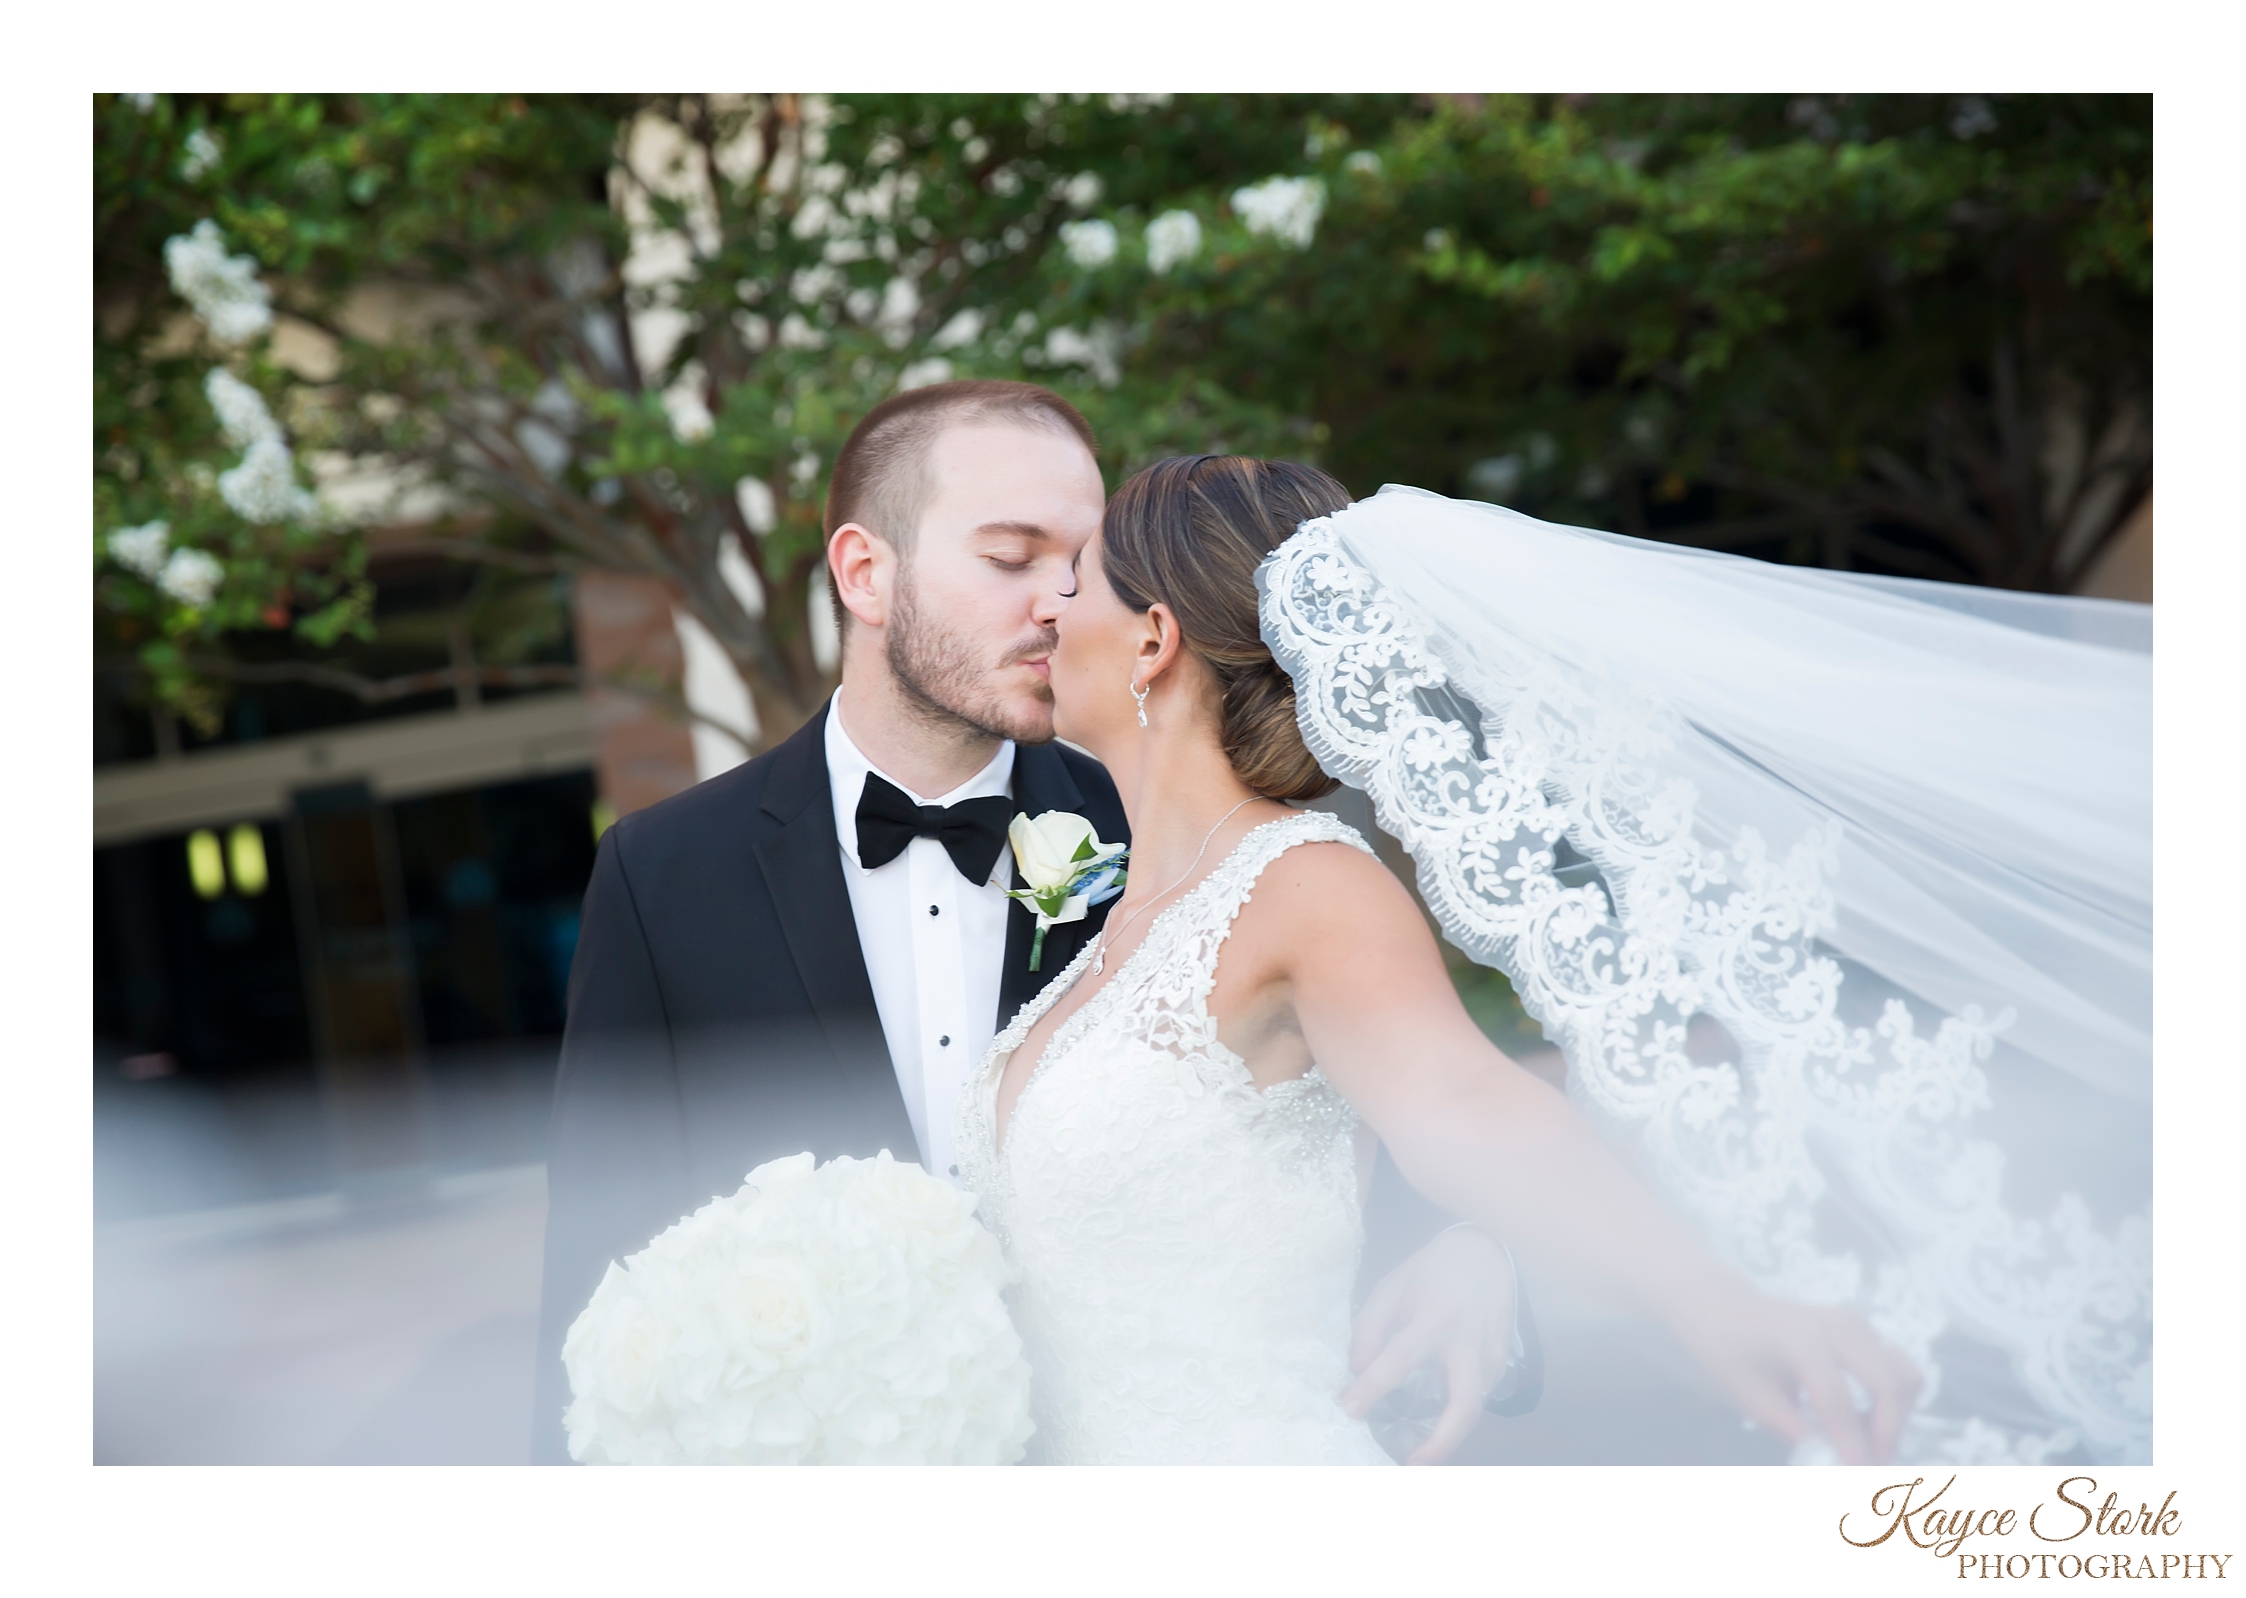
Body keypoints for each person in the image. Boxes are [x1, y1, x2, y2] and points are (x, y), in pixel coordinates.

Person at [532, 384, 1528, 1466]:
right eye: (1010, 558)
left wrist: (1486, 1249)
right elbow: (600, 1280)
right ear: (865, 572)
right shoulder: (664, 873)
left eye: (1077, 561)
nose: (1055, 600)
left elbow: (1366, 1110)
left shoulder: (1191, 834)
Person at [957, 454, 1953, 1465]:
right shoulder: (1123, 916)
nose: (1041, 609)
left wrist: (1705, 1295)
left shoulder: (1302, 886)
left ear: (1153, 639)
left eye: (1071, 581)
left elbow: (1467, 1102)